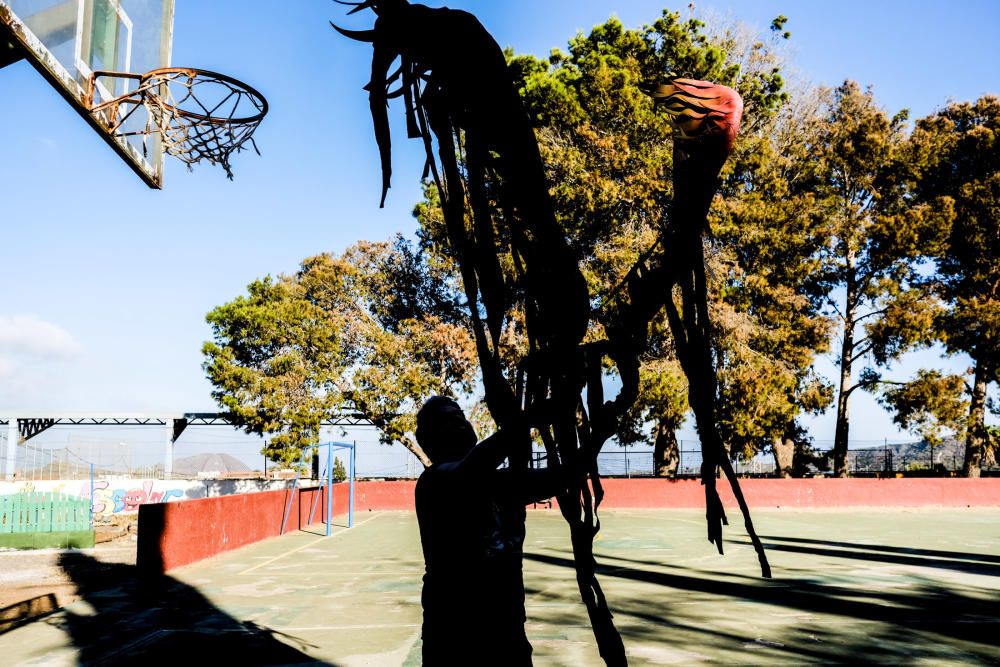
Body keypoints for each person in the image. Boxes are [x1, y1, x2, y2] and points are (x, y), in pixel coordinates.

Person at [414, 396, 556, 666]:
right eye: (447, 420)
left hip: (507, 624)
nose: (459, 424)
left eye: (460, 418)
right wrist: (524, 421)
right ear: (429, 439)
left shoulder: (499, 482)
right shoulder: (435, 482)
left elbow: (558, 478)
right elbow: (472, 470)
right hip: (455, 631)